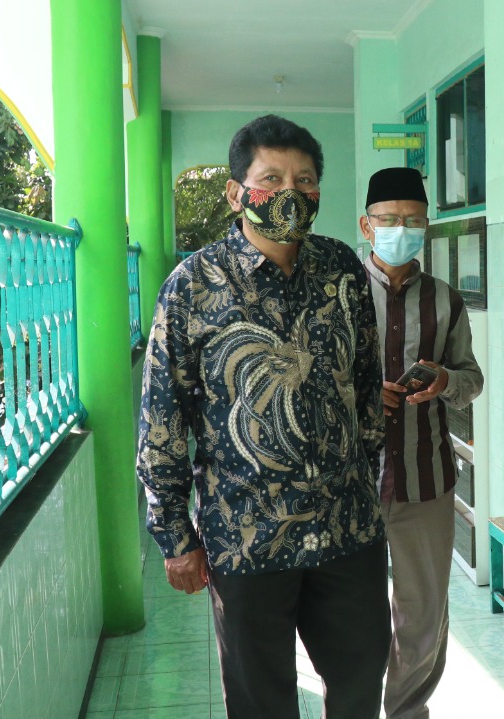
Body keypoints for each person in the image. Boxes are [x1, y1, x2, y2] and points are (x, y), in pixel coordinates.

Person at [136, 114, 390, 719]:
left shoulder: (342, 269)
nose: (290, 193)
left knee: (361, 682)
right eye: (270, 179)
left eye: (305, 180)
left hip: (347, 530)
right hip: (246, 537)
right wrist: (175, 535)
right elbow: (163, 418)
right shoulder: (192, 286)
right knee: (260, 703)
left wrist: (363, 478)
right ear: (236, 192)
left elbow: (365, 387)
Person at [358, 167, 484, 719]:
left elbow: (471, 379)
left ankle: (408, 712)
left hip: (425, 477)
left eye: (412, 221)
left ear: (427, 226)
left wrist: (445, 381)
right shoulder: (339, 294)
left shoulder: (445, 300)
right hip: (350, 486)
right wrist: (363, 395)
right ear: (367, 226)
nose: (401, 230)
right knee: (351, 616)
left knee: (423, 613)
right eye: (389, 220)